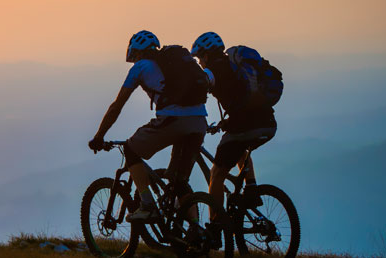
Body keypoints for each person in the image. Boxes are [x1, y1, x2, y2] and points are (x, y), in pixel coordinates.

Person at [88, 30, 208, 224]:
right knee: (179, 181)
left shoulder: (140, 67)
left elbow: (116, 106)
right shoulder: (173, 63)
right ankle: (196, 231)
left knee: (130, 149)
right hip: (199, 121)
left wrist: (99, 136)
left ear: (135, 53)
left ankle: (147, 205)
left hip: (173, 120)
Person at [190, 32, 278, 213]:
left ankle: (215, 227)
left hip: (246, 126)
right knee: (238, 143)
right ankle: (251, 188)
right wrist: (226, 123)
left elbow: (198, 90)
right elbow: (241, 102)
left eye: (199, 58)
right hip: (268, 123)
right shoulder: (234, 66)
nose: (200, 62)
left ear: (206, 55)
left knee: (216, 174)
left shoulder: (212, 71)